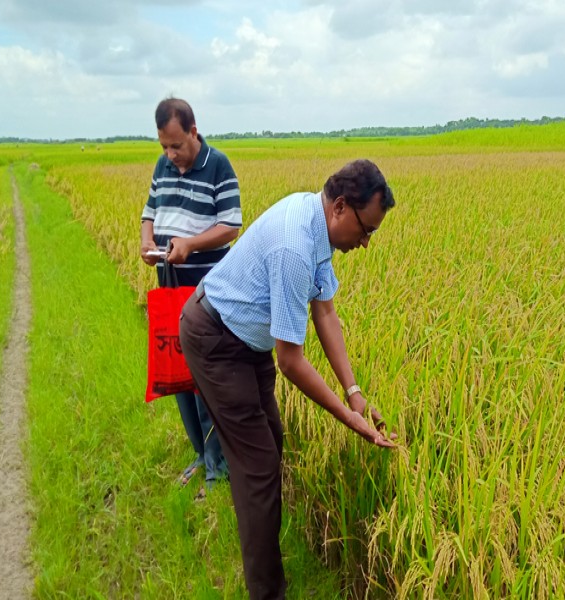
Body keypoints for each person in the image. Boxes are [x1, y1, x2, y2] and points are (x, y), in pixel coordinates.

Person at [178, 159, 397, 599]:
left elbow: (326, 311)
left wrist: (355, 395)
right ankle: (268, 592)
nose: (366, 242)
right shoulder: (295, 246)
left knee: (269, 442)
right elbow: (291, 362)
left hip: (247, 337)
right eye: (366, 229)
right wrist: (346, 418)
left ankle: (261, 543)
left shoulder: (317, 226)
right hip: (217, 339)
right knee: (257, 465)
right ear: (340, 207)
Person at [140, 97, 241, 494]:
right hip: (169, 286)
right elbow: (149, 213)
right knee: (178, 376)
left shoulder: (218, 164)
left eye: (177, 145)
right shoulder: (162, 166)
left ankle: (219, 469)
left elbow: (230, 225)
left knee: (206, 380)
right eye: (164, 146)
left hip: (207, 292)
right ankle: (200, 454)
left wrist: (190, 246)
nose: (171, 154)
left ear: (193, 132)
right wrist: (148, 242)